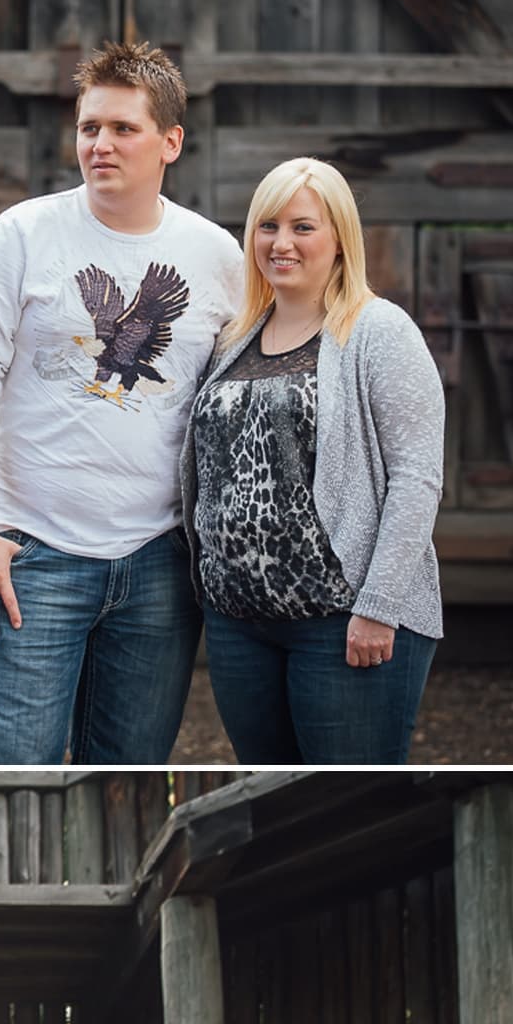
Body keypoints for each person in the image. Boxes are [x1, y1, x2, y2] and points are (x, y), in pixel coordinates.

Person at [0, 39, 245, 763]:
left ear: (170, 142)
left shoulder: (218, 258)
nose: (100, 144)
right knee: (15, 779)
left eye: (122, 129)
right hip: (33, 559)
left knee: (128, 784)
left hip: (160, 566)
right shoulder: (21, 236)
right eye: (89, 128)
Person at [182, 157, 444, 764]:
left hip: (342, 621)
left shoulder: (379, 331)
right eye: (268, 226)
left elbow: (418, 479)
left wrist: (378, 607)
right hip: (237, 624)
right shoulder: (233, 339)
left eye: (303, 227)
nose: (281, 243)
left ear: (339, 239)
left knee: (344, 809)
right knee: (270, 804)